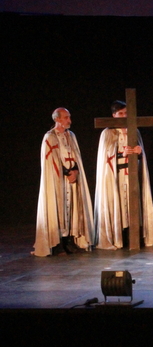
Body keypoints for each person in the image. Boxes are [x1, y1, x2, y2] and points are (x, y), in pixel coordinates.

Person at [95, 100, 153, 249]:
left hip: (132, 175)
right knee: (119, 205)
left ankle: (134, 235)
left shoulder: (134, 130)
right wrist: (121, 153)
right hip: (116, 176)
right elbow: (106, 157)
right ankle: (119, 237)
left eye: (126, 113)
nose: (124, 116)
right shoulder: (108, 133)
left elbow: (140, 151)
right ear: (114, 115)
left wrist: (139, 151)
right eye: (121, 114)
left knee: (133, 205)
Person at [33, 108, 95, 257]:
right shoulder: (50, 137)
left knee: (71, 209)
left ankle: (69, 241)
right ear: (57, 119)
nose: (69, 120)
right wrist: (66, 173)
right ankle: (57, 243)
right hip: (57, 180)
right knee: (58, 208)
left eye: (69, 117)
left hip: (71, 179)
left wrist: (75, 171)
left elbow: (75, 156)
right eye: (66, 118)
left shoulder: (71, 136)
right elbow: (50, 161)